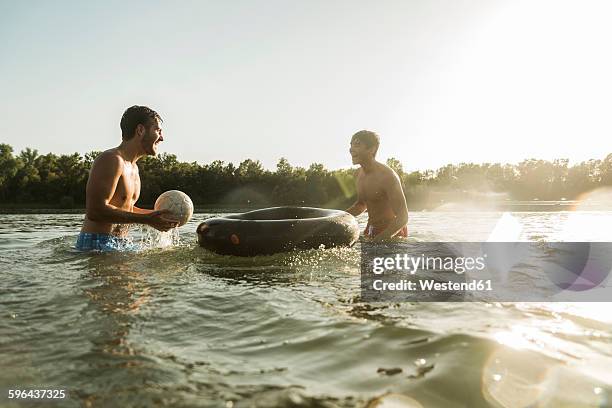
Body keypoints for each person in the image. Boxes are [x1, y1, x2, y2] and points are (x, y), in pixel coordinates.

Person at [76, 105, 178, 251]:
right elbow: (95, 211)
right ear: (140, 130)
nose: (162, 138)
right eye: (158, 130)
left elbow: (126, 208)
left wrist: (159, 217)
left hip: (121, 244)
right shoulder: (111, 159)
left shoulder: (134, 168)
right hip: (96, 244)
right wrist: (147, 220)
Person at [346, 130, 409, 241]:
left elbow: (403, 217)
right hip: (370, 230)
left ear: (372, 149)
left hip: (392, 234)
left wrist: (381, 239)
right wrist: (339, 216)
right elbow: (361, 205)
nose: (351, 149)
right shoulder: (358, 174)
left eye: (357, 145)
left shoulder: (387, 176)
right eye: (351, 145)